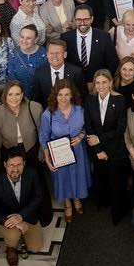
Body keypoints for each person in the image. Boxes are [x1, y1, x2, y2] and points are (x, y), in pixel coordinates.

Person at [39, 78, 91, 222]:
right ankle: (67, 203)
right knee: (63, 179)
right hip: (58, 152)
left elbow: (88, 128)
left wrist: (81, 136)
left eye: (67, 94)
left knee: (77, 176)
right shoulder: (47, 114)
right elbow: (43, 137)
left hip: (78, 150)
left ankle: (76, 199)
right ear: (55, 95)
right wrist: (48, 160)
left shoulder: (80, 110)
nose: (63, 98)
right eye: (60, 94)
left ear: (72, 95)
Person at [0, 146, 46, 266]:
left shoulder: (32, 173)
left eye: (19, 165)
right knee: (13, 237)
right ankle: (10, 247)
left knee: (36, 247)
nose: (15, 169)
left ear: (24, 164)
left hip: (27, 215)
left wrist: (21, 216)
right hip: (7, 217)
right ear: (5, 165)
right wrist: (15, 222)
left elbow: (39, 196)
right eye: (11, 165)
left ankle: (22, 234)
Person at [83, 69, 129, 224]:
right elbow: (89, 127)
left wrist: (100, 140)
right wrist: (98, 150)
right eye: (97, 82)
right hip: (97, 150)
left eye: (104, 82)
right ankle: (102, 203)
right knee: (100, 178)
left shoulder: (120, 100)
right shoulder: (89, 100)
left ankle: (117, 213)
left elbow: (120, 128)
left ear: (110, 82)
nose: (101, 86)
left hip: (115, 148)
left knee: (116, 182)